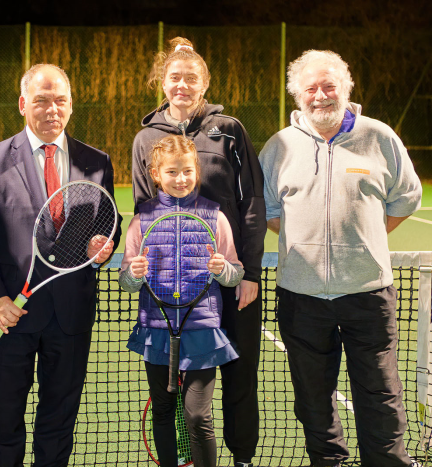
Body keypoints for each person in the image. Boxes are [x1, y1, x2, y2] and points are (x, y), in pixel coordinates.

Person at [259, 49, 422, 467]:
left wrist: (366, 237)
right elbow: (269, 210)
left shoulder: (379, 136)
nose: (320, 96)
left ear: (345, 89)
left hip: (368, 294)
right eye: (310, 88)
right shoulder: (279, 146)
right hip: (301, 296)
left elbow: (407, 196)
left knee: (381, 398)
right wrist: (307, 240)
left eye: (329, 86)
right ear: (298, 95)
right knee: (313, 401)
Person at [0, 63, 122, 466]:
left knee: (58, 422)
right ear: (22, 104)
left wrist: (103, 245)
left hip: (71, 316)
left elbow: (108, 223)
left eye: (60, 101)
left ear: (70, 106)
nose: (52, 109)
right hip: (9, 316)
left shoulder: (97, 161)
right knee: (3, 420)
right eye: (41, 100)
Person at [132, 36, 266, 467]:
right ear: (162, 82)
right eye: (175, 78)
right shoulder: (146, 137)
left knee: (240, 377)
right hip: (174, 290)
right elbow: (142, 209)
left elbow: (252, 204)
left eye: (192, 78)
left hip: (228, 277)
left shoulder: (229, 130)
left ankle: (242, 458)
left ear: (205, 83)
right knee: (178, 394)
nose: (183, 86)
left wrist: (249, 273)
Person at [121, 135, 244, 467]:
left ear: (196, 172)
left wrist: (223, 269)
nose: (181, 179)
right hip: (156, 330)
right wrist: (135, 272)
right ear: (156, 174)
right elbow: (127, 282)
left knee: (198, 417)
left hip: (202, 329)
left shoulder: (215, 217)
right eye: (172, 172)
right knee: (161, 410)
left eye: (187, 171)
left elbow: (234, 273)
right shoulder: (141, 220)